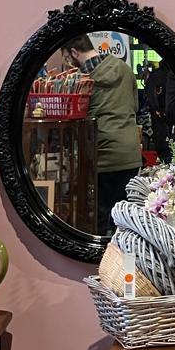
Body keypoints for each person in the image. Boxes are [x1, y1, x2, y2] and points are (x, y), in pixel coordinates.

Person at [60, 35, 141, 233]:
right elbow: (135, 106)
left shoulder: (83, 80)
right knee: (125, 217)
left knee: (100, 218)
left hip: (104, 155)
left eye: (67, 58)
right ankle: (123, 261)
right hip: (130, 153)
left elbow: (80, 118)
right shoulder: (124, 68)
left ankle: (103, 261)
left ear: (73, 52)